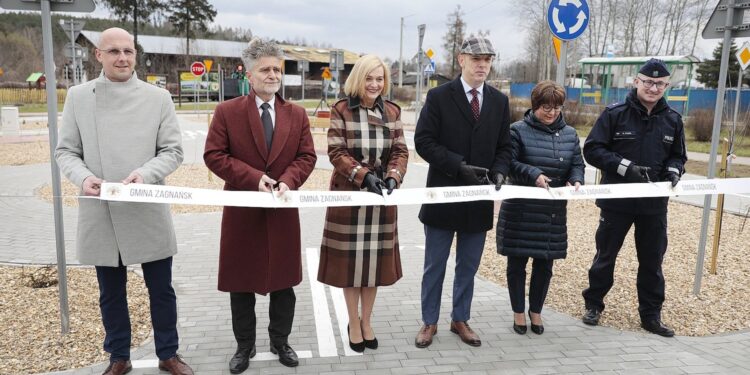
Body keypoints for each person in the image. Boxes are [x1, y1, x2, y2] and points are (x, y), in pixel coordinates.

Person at [55, 28, 193, 375]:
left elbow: (173, 151)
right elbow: (66, 151)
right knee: (110, 294)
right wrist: (84, 178)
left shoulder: (157, 98)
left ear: (136, 54)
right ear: (98, 55)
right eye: (113, 51)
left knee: (161, 290)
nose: (122, 58)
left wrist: (144, 175)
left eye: (128, 51)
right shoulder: (78, 97)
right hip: (101, 210)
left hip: (147, 207)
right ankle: (119, 356)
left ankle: (168, 354)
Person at [203, 38, 316, 372]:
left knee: (283, 283)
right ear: (249, 74)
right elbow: (213, 155)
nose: (272, 75)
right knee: (241, 284)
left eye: (277, 69)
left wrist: (289, 180)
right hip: (242, 212)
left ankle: (281, 341)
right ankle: (244, 347)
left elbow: (307, 156)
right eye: (265, 69)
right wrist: (253, 178)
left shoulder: (296, 114)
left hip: (282, 212)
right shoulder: (227, 112)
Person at [414, 36, 512, 348]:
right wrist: (457, 166)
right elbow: (424, 141)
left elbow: (505, 146)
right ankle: (429, 321)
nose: (482, 65)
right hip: (443, 194)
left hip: (478, 199)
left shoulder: (499, 101)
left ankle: (460, 319)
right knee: (435, 265)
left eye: (487, 59)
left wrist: (499, 169)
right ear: (461, 60)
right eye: (476, 59)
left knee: (468, 266)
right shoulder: (440, 96)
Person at [581, 58, 687, 337]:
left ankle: (651, 316)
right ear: (636, 82)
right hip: (617, 201)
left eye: (660, 83)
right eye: (648, 82)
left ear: (667, 86)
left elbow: (678, 155)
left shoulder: (673, 120)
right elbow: (592, 149)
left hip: (653, 205)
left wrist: (675, 170)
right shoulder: (615, 114)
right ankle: (593, 304)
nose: (653, 88)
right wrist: (624, 166)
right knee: (605, 255)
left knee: (652, 261)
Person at [317, 54, 408, 352]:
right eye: (369, 78)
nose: (374, 84)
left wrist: (393, 176)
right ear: (359, 79)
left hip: (382, 196)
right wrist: (363, 176)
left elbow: (400, 151)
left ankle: (367, 320)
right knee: (350, 266)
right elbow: (336, 151)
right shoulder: (341, 109)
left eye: (379, 78)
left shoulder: (392, 111)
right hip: (350, 194)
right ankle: (352, 322)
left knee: (374, 266)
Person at [496, 81, 585, 335]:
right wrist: (534, 174)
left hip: (552, 213)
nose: (552, 112)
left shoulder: (570, 134)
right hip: (521, 211)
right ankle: (517, 312)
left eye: (557, 107)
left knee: (545, 265)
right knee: (517, 264)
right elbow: (509, 162)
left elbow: (577, 164)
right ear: (535, 105)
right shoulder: (517, 131)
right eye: (546, 107)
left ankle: (536, 311)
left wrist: (576, 178)